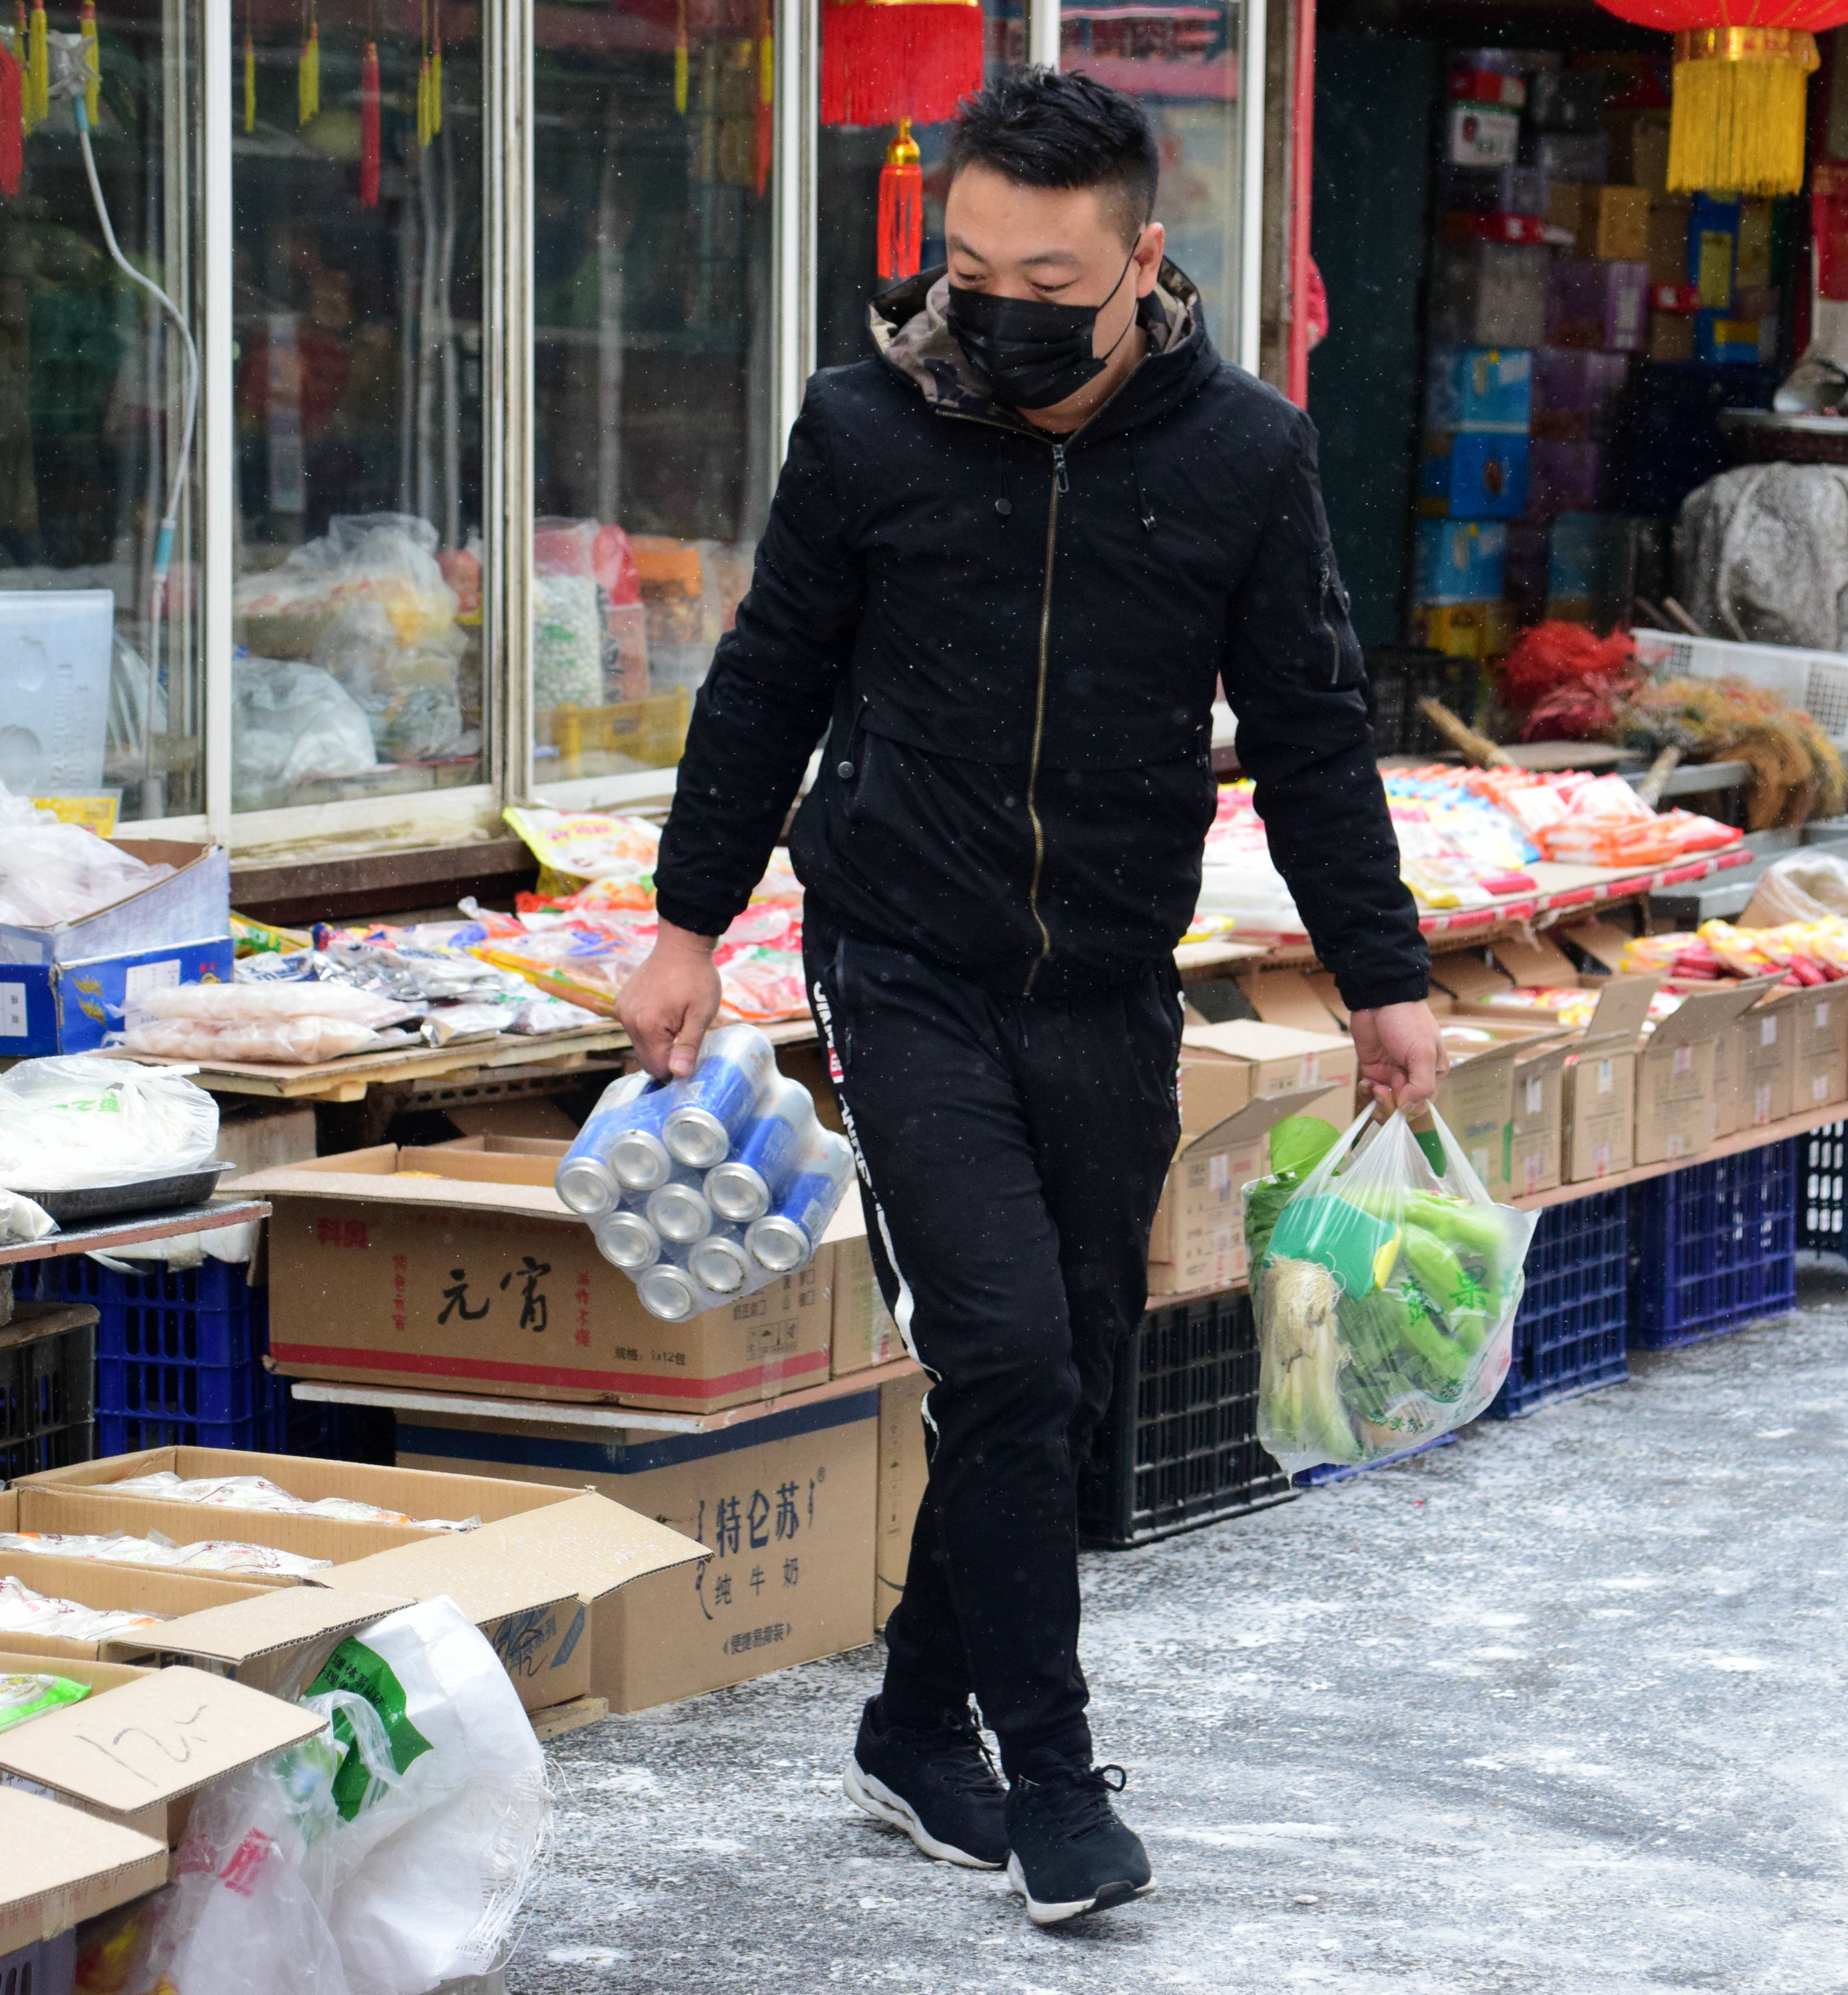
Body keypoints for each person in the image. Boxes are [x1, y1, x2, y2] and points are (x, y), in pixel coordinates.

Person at [614, 68, 1441, 1926]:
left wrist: (1382, 977)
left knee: (1063, 1379)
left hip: (1111, 977)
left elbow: (1312, 733)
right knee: (1001, 1351)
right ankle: (1054, 1782)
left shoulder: (1243, 456)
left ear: (1142, 263)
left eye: (1045, 281)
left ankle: (914, 1723)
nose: (992, 310)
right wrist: (687, 924)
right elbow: (766, 682)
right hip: (899, 958)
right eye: (965, 270)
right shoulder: (865, 430)